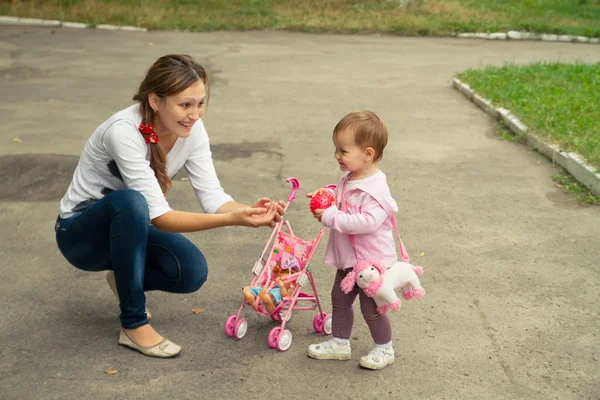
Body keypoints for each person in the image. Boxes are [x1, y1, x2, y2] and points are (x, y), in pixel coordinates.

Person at [54, 54, 284, 358]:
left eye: (200, 103)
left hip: (129, 232)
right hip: (80, 235)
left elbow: (213, 196)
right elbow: (160, 217)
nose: (195, 114)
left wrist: (250, 211)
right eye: (185, 105)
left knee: (190, 271)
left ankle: (125, 279)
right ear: (155, 101)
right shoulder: (123, 131)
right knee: (130, 202)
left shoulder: (193, 131)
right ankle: (133, 323)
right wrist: (234, 220)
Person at [307, 110, 410, 370]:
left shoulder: (376, 190)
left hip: (370, 265)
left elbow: (367, 222)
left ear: (368, 154)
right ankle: (340, 343)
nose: (337, 155)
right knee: (339, 299)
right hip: (349, 260)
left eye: (343, 151)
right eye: (336, 149)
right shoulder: (351, 177)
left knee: (371, 307)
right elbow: (343, 195)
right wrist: (329, 194)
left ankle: (384, 349)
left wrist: (331, 216)